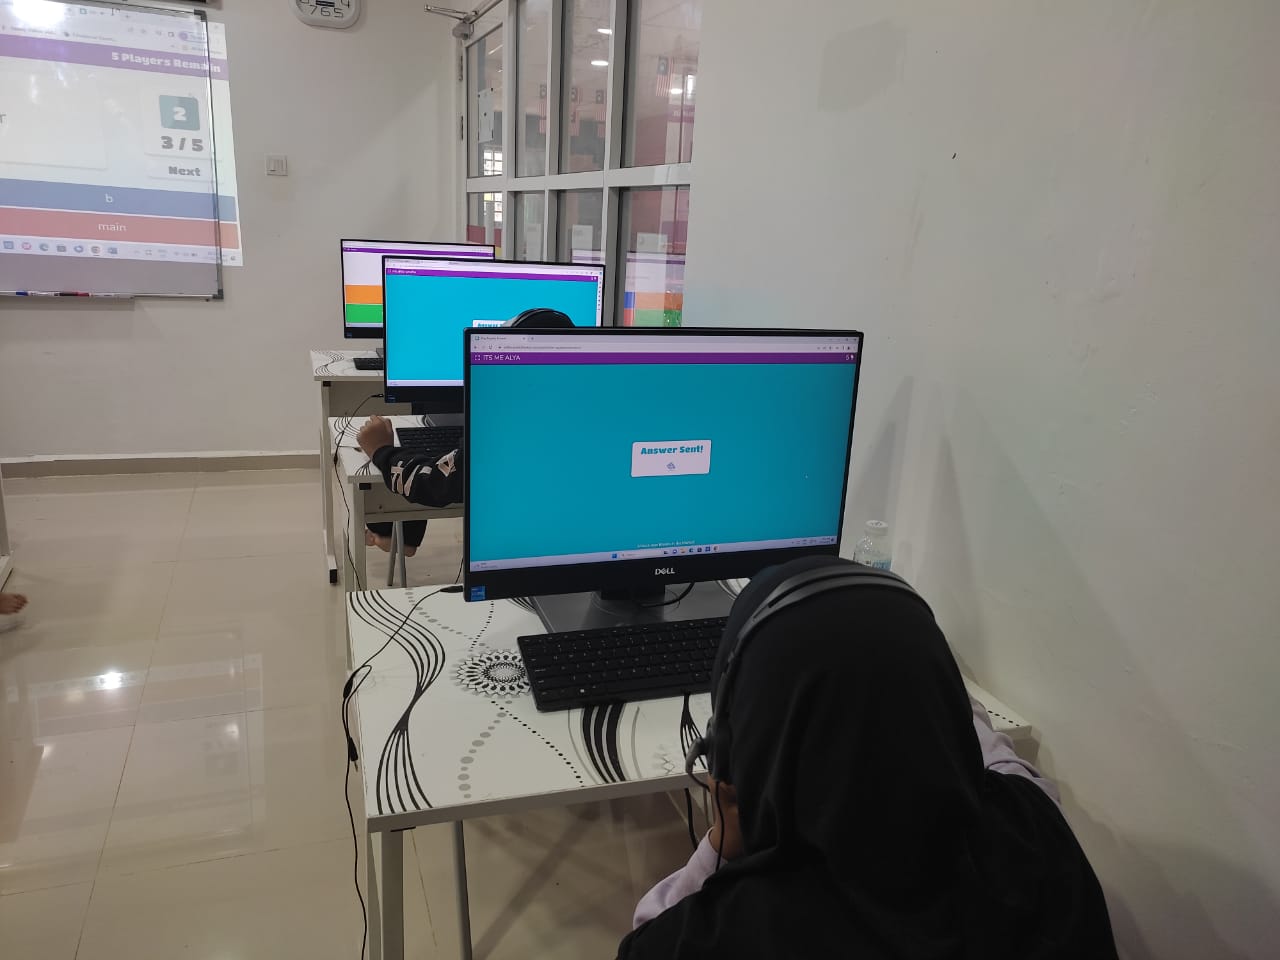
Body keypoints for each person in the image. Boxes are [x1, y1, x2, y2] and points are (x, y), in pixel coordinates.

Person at [619, 556, 1118, 960]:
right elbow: (983, 741)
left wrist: (724, 840)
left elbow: (648, 932)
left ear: (730, 754)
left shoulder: (719, 935)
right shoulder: (1036, 833)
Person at [357, 308, 575, 552]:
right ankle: (401, 538)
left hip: (526, 557)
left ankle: (395, 536)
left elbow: (429, 482)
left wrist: (381, 450)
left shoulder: (505, 445)